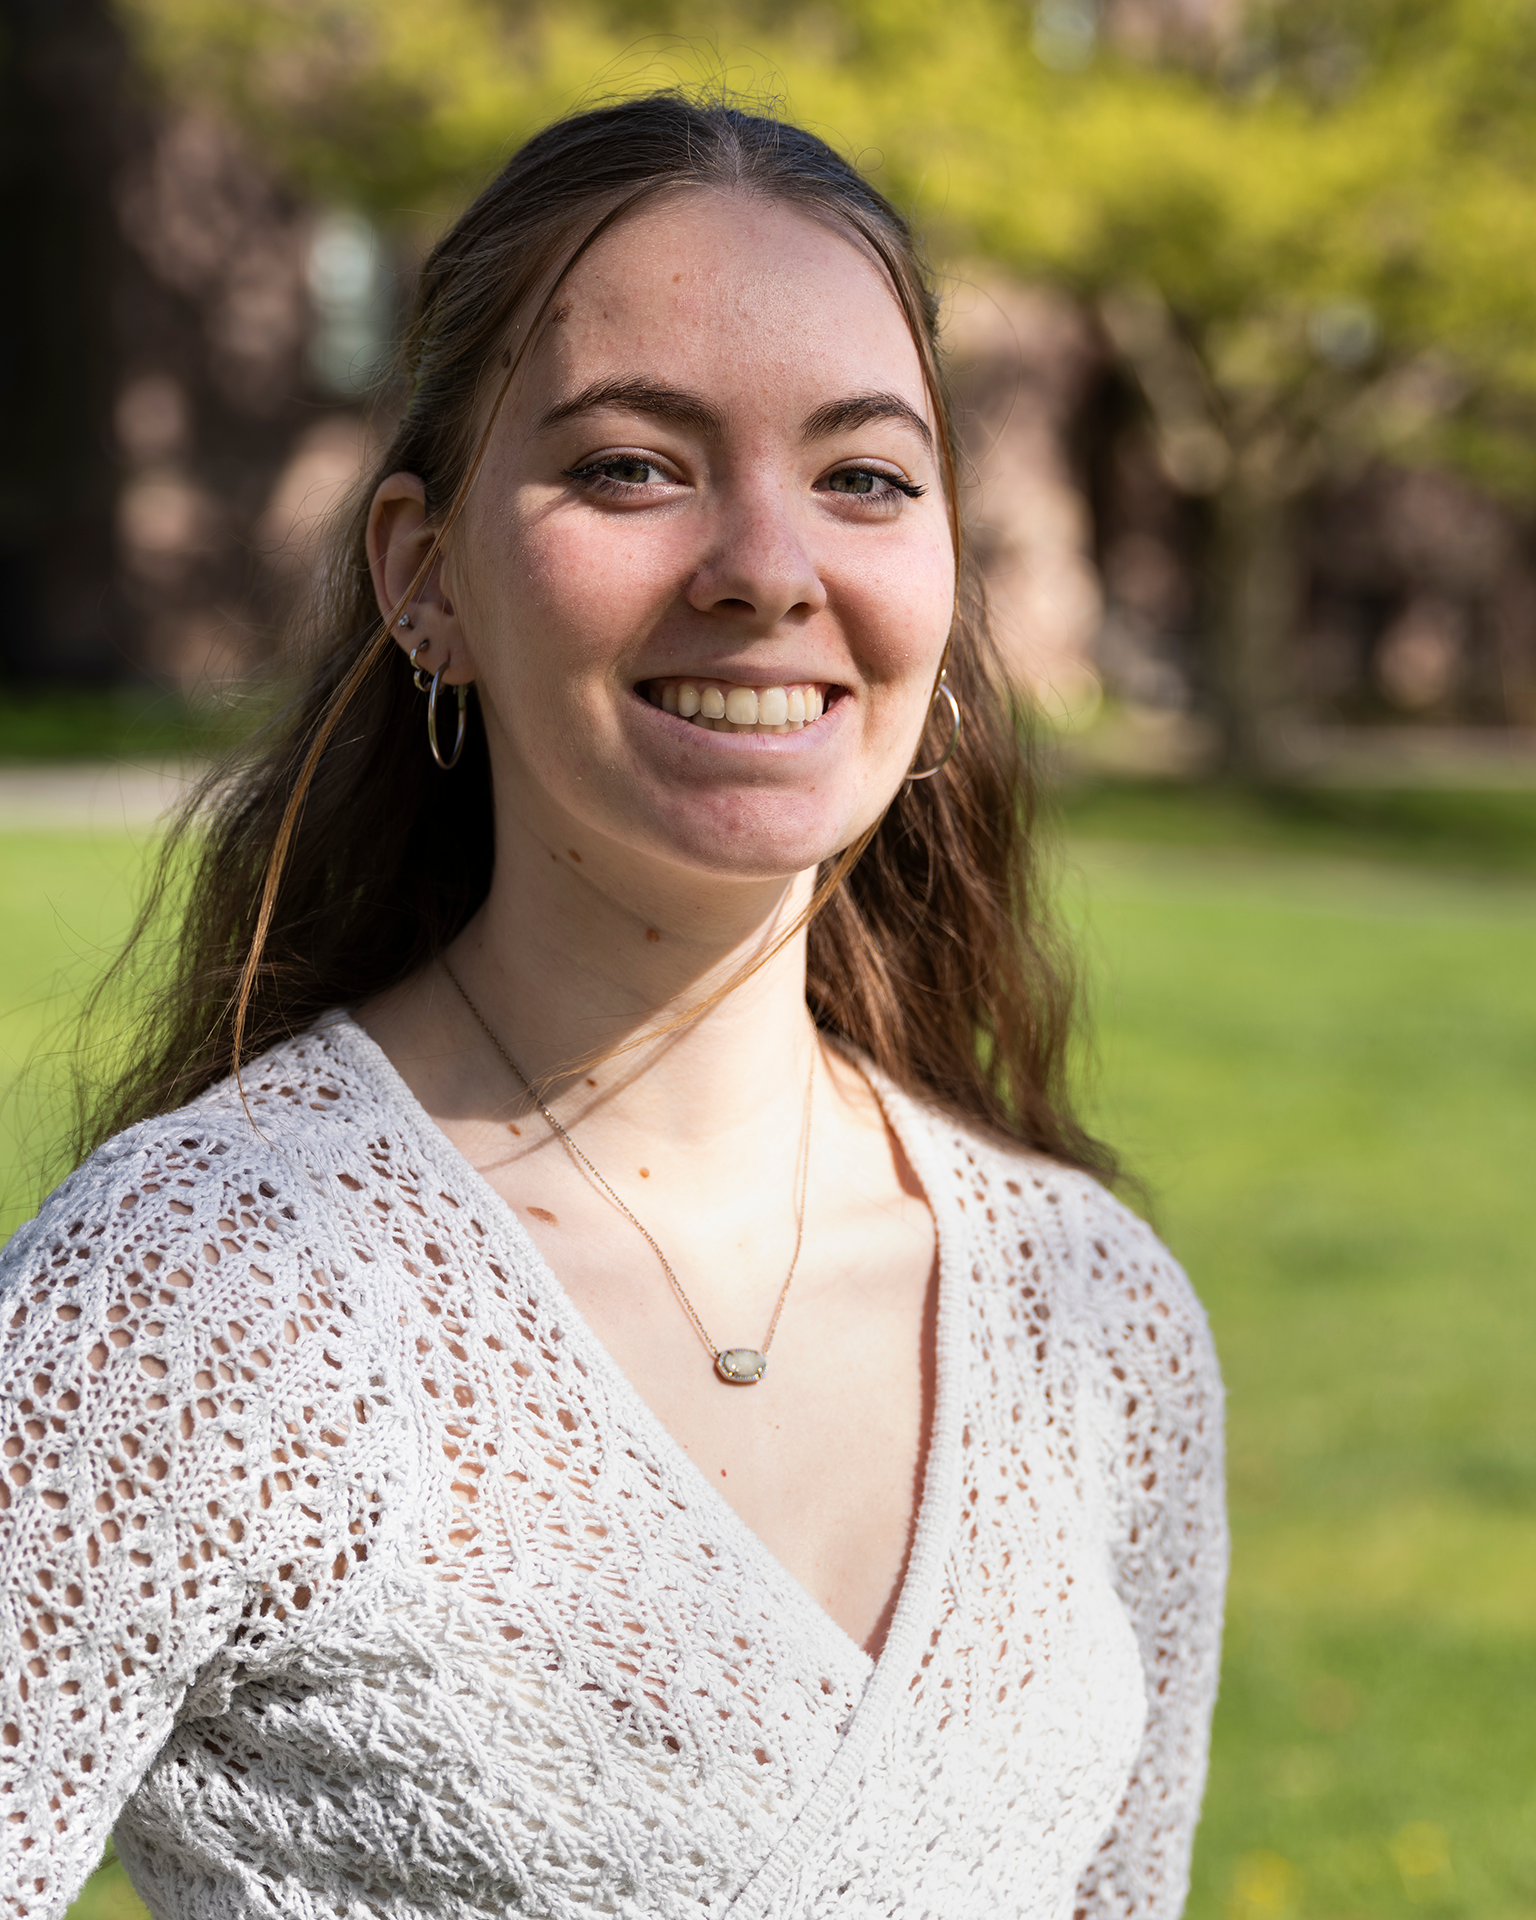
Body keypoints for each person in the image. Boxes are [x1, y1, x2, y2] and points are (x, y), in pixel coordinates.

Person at [0, 93, 1225, 1920]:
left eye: (866, 476)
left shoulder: (1099, 1319)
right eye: (634, 466)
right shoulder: (195, 1297)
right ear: (426, 578)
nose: (766, 562)